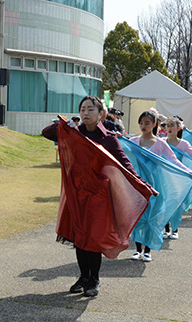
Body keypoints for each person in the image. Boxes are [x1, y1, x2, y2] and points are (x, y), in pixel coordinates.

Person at [42, 96, 156, 297]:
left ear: (101, 114)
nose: (86, 113)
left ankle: (94, 279)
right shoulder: (74, 134)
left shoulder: (108, 138)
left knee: (93, 238)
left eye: (90, 110)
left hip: (98, 196)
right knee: (79, 238)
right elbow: (47, 133)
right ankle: (83, 276)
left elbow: (124, 165)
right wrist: (64, 125)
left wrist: (142, 185)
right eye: (82, 109)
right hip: (76, 194)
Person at [129, 110, 192, 261]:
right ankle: (137, 249)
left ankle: (148, 250)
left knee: (152, 217)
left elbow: (174, 161)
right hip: (138, 185)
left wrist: (190, 172)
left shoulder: (161, 143)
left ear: (154, 124)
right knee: (138, 216)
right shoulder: (132, 141)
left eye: (147, 123)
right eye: (141, 122)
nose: (143, 126)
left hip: (155, 185)